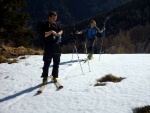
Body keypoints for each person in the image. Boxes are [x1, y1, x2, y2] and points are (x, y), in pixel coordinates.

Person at [41, 11, 63, 85]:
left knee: (56, 62)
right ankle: (45, 77)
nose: (54, 19)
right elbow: (44, 35)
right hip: (48, 46)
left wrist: (59, 33)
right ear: (49, 17)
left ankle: (55, 76)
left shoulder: (56, 24)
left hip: (56, 46)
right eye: (53, 18)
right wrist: (51, 32)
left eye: (55, 18)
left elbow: (61, 30)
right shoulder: (45, 25)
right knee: (47, 62)